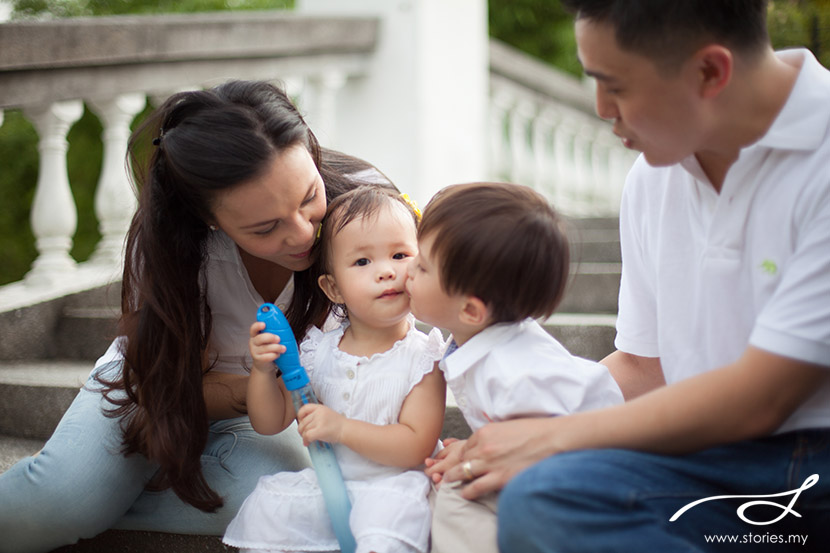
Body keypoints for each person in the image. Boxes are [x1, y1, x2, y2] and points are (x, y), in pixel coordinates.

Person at [436, 3, 830, 552]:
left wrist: (549, 437)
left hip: (816, 467)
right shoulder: (654, 176)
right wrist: (498, 442)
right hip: (701, 467)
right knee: (541, 498)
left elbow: (763, 397)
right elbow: (646, 367)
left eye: (613, 85)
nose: (600, 108)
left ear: (710, 71)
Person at [0, 80, 400, 553]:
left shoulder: (367, 207)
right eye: (264, 227)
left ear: (310, 151)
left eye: (309, 196)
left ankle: (100, 499)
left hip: (262, 417)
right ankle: (76, 498)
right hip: (158, 391)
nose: (301, 234)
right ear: (211, 220)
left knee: (286, 504)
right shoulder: (175, 247)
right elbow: (161, 380)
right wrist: (254, 390)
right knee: (54, 507)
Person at [222, 185, 446, 553]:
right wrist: (263, 373)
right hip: (329, 484)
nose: (386, 271)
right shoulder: (317, 350)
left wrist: (341, 428)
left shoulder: (423, 357)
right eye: (362, 262)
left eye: (400, 254)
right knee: (273, 513)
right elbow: (270, 421)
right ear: (333, 288)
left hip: (395, 488)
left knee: (383, 533)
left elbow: (414, 445)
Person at [403, 182, 623, 553]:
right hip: (557, 470)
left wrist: (475, 454)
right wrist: (476, 446)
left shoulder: (513, 374)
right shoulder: (488, 342)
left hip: (586, 483)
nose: (407, 269)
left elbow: (540, 444)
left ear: (471, 311)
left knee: (456, 494)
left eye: (422, 267)